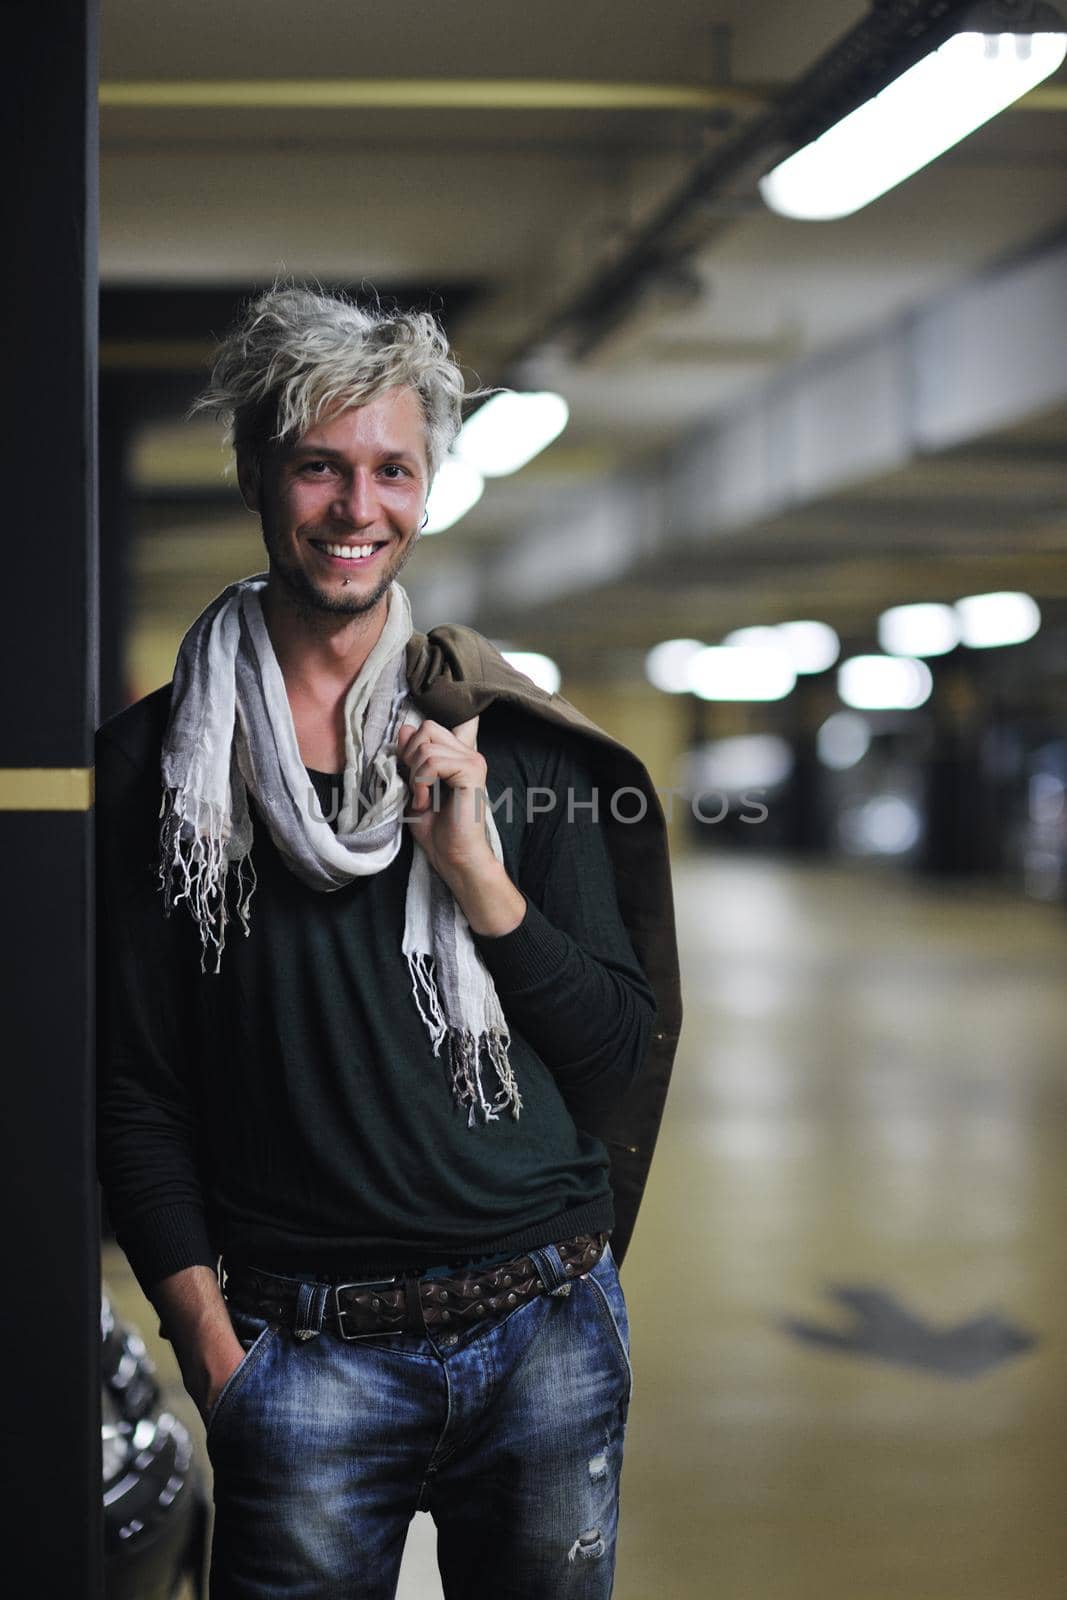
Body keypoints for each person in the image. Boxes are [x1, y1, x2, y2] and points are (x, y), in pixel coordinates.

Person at [96, 283, 681, 1600]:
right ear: (258, 471)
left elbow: (607, 1057)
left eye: (392, 471)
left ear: (427, 487)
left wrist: (479, 874)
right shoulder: (148, 772)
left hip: (546, 1331)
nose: (359, 509)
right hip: (303, 1355)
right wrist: (209, 1347)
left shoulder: (513, 744)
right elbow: (133, 1089)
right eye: (319, 466)